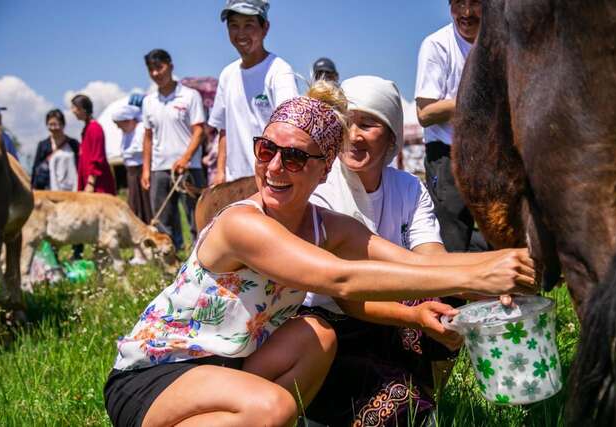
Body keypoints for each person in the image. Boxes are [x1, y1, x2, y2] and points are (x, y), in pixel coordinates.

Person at [104, 81, 537, 427]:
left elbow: (419, 263)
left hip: (228, 366)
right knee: (272, 407)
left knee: (318, 337)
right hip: (159, 375)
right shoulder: (243, 224)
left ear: (323, 168)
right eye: (266, 149)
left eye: (294, 158)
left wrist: (507, 264)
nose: (273, 167)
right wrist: (478, 277)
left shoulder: (325, 226)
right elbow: (339, 279)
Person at [303, 75, 504, 425]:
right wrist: (414, 313)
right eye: (348, 123)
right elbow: (345, 293)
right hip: (332, 322)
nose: (354, 135)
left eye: (368, 124)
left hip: (383, 312)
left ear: (392, 137)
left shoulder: (409, 187)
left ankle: (425, 394)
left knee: (448, 304)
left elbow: (432, 262)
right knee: (393, 405)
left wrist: (489, 284)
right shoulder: (322, 190)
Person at [415, 0, 482, 252]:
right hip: (448, 154)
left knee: (505, 238)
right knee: (452, 241)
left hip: (492, 155)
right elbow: (424, 113)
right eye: (458, 3)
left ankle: (506, 292)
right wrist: (476, 99)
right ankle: (449, 291)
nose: (465, 13)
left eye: (474, 3)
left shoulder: (501, 42)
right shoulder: (437, 45)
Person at [209, 0, 298, 185]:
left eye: (249, 25)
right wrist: (220, 172)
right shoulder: (227, 74)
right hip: (234, 182)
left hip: (270, 180)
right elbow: (223, 129)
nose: (241, 33)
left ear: (265, 28)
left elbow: (290, 129)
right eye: (234, 25)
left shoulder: (279, 71)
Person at [140, 49, 206, 251]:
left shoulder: (189, 95)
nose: (156, 73)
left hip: (189, 168)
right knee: (162, 218)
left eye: (159, 68)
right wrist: (145, 169)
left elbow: (199, 130)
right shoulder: (148, 101)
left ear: (170, 66)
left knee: (197, 217)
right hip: (160, 168)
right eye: (151, 69)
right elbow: (148, 137)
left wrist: (185, 158)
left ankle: (200, 258)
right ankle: (170, 259)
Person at [111, 104, 152, 225]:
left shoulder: (140, 129)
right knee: (135, 202)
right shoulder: (126, 133)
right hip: (132, 172)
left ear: (128, 121)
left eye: (120, 124)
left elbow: (141, 149)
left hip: (141, 170)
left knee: (145, 202)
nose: (119, 128)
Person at [71, 94, 116, 195]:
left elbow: (97, 158)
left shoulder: (95, 128)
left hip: (97, 184)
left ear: (83, 109)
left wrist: (91, 182)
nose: (73, 111)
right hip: (88, 181)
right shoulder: (86, 129)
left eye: (75, 107)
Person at [31, 109, 79, 191]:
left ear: (63, 124)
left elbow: (79, 165)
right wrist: (33, 187)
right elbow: (36, 168)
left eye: (56, 124)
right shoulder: (43, 145)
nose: (53, 128)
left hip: (71, 189)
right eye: (50, 124)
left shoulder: (73, 144)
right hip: (48, 189)